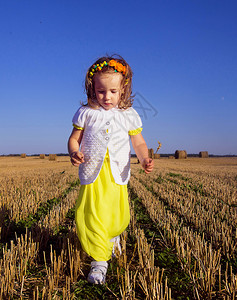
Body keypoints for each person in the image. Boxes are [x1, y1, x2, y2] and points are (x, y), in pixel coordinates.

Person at [67, 55, 154, 284]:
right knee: (92, 215)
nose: (107, 97)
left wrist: (145, 159)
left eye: (113, 91)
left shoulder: (128, 115)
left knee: (116, 216)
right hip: (92, 172)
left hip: (117, 172)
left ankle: (111, 237)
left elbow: (139, 143)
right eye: (101, 91)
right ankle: (99, 262)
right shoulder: (86, 113)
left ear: (123, 89)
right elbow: (74, 139)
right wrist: (73, 152)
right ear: (92, 88)